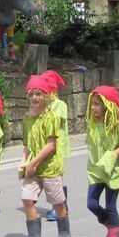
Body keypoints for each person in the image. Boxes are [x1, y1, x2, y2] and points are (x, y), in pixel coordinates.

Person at [17, 74, 72, 237]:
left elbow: (51, 145)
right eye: (32, 93)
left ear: (46, 96)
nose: (35, 97)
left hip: (49, 168)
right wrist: (23, 162)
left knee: (56, 202)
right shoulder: (26, 118)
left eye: (39, 94)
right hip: (32, 168)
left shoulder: (51, 118)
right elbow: (26, 144)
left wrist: (33, 162)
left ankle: (64, 234)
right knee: (27, 199)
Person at [85, 85, 119, 237]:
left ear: (107, 105)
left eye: (97, 104)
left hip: (112, 171)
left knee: (111, 207)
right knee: (91, 203)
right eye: (92, 104)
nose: (93, 107)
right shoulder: (92, 122)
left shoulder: (117, 124)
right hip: (96, 170)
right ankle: (111, 225)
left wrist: (112, 155)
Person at [42, 70, 69, 221]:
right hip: (46, 144)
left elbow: (56, 121)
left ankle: (57, 206)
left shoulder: (60, 105)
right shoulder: (43, 105)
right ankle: (61, 203)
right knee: (49, 176)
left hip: (58, 144)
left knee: (56, 175)